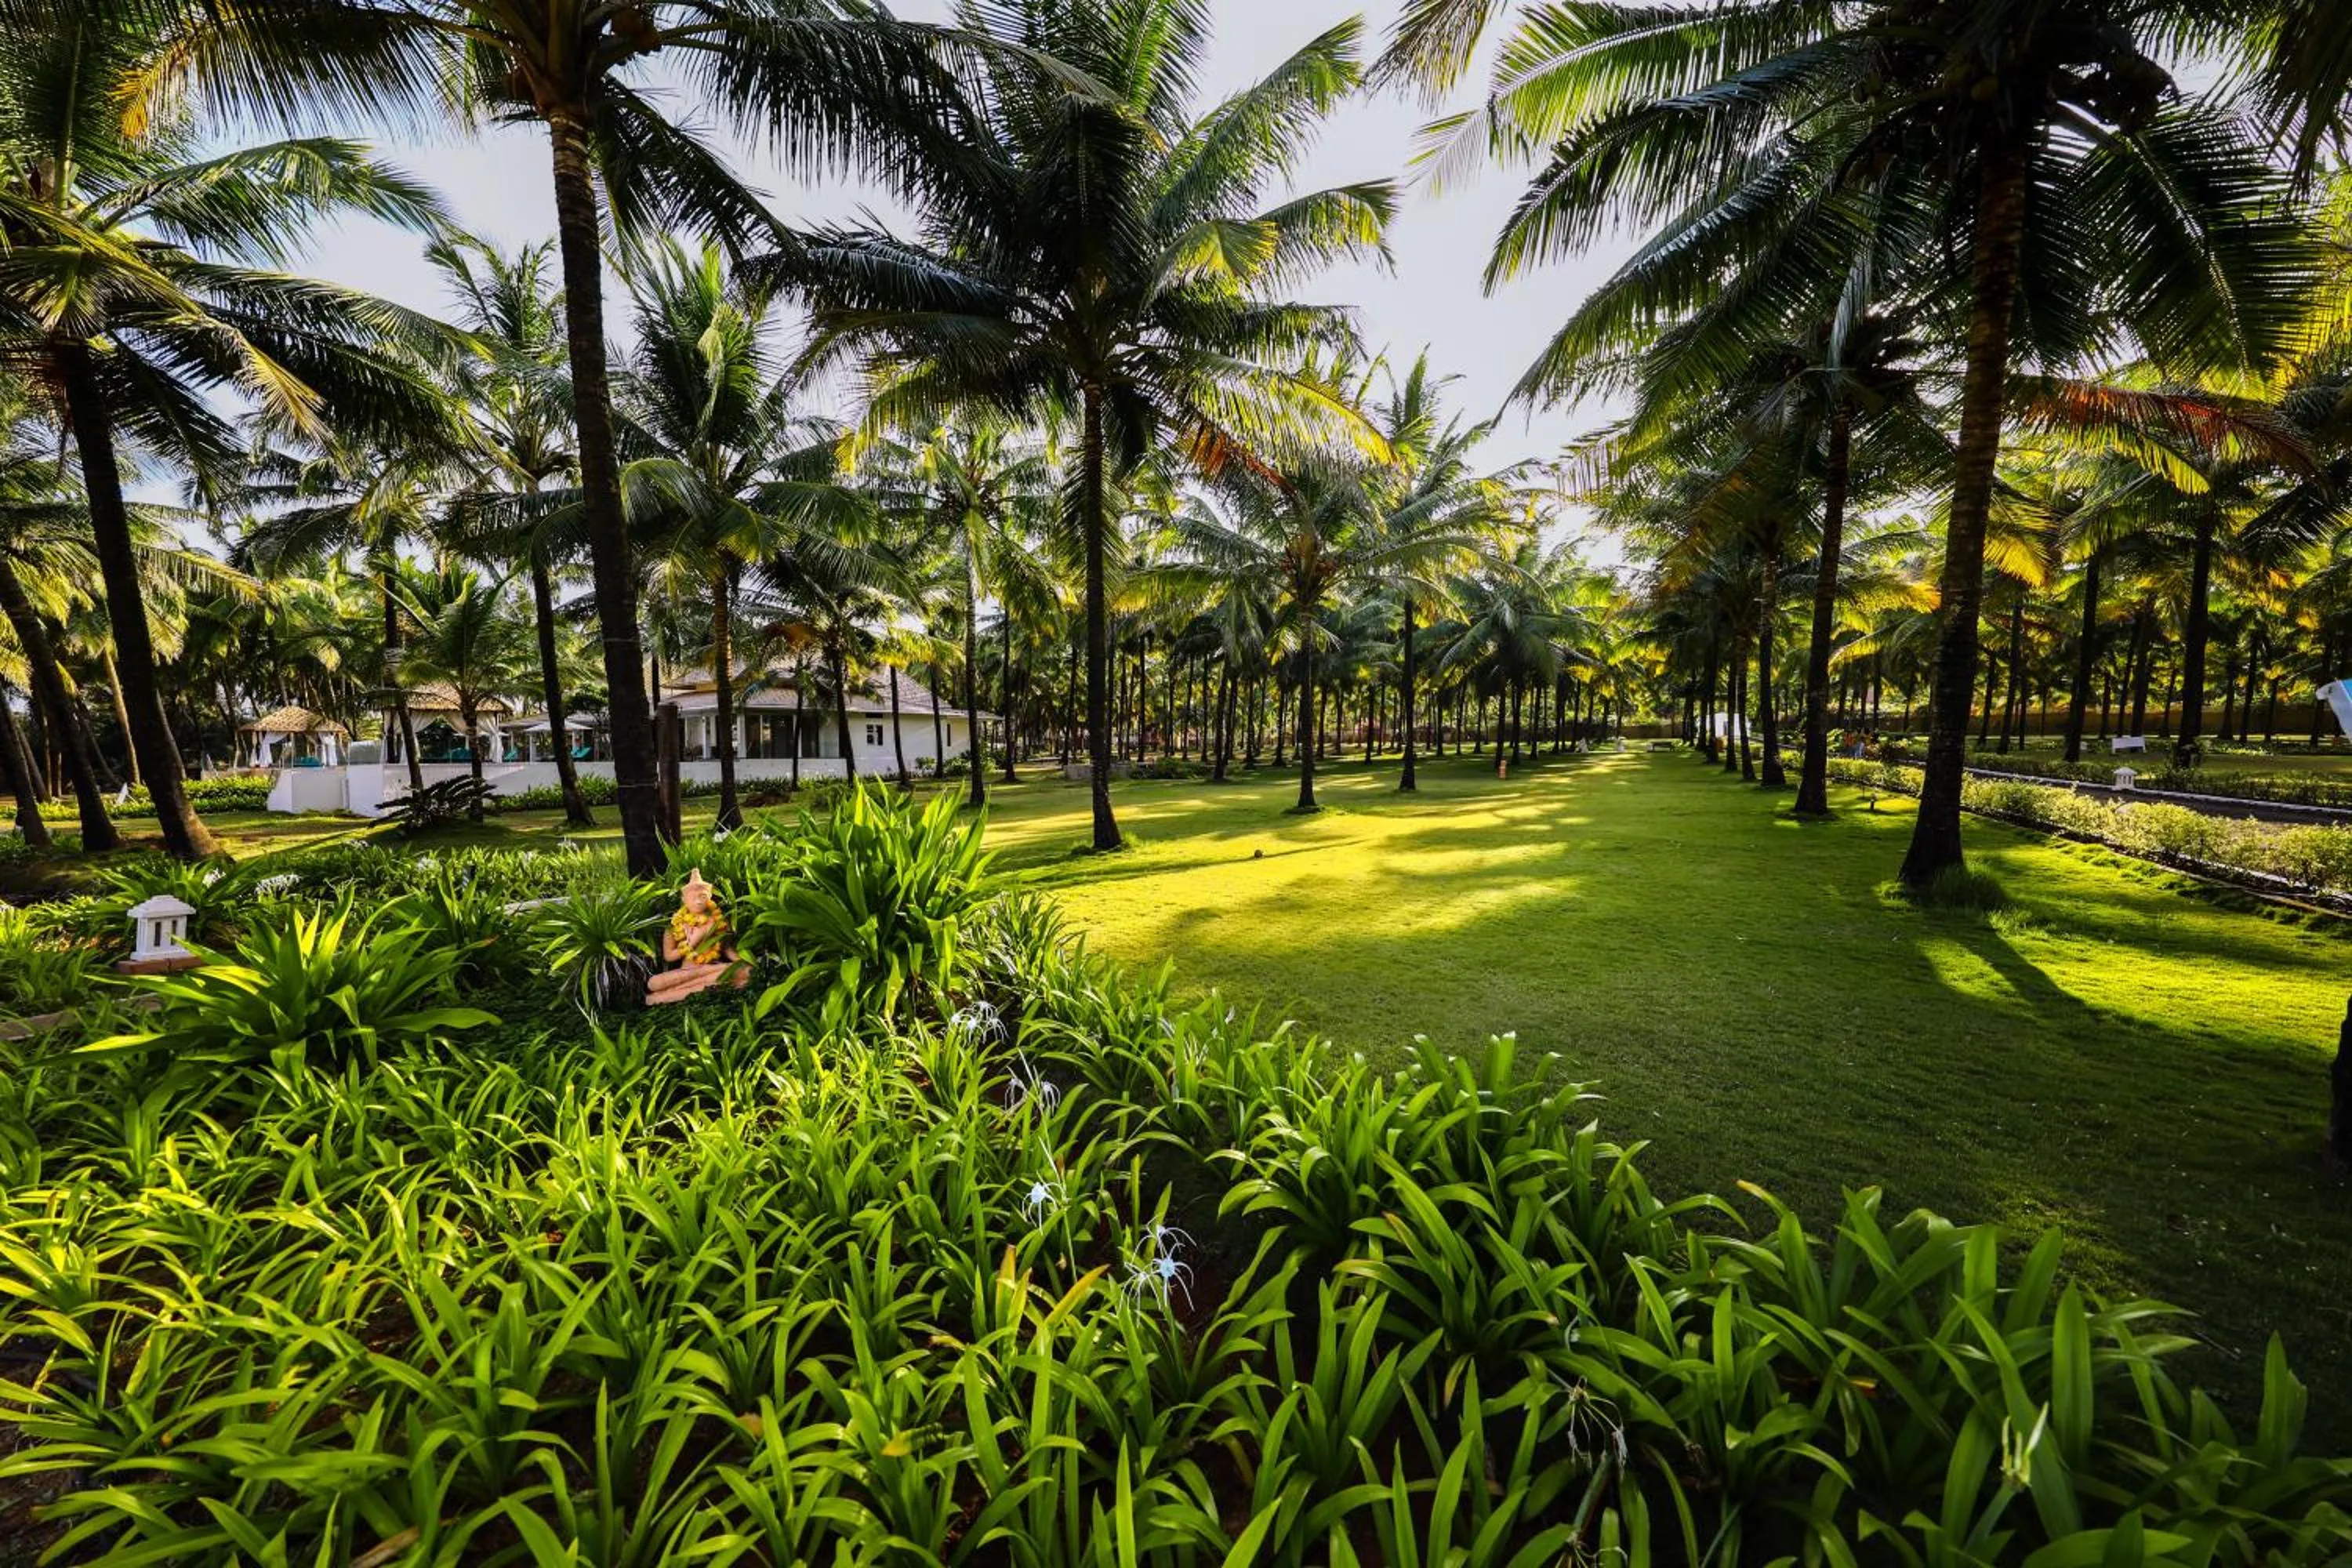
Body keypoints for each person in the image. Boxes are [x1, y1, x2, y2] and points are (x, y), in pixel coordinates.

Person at [646, 869, 750, 1004]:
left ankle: (674, 994)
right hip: (687, 972)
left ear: (710, 897)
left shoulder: (719, 921)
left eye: (702, 897)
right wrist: (694, 941)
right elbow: (669, 956)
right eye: (693, 898)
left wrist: (742, 961)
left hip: (713, 968)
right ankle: (697, 988)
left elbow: (727, 949)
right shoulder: (674, 924)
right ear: (684, 900)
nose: (698, 902)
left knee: (746, 971)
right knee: (654, 983)